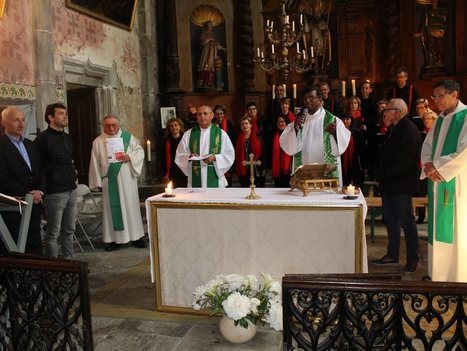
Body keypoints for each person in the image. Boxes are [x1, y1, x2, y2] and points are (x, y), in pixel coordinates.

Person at [420, 79, 467, 282]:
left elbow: (465, 151)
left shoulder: (465, 117)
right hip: (437, 181)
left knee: (454, 228)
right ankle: (436, 274)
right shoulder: (439, 119)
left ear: (454, 94)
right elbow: (427, 146)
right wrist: (428, 165)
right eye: (434, 96)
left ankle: (455, 277)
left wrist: (439, 168)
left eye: (440, 96)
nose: (436, 100)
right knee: (437, 228)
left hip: (456, 182)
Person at [372, 98, 422, 274]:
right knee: (391, 221)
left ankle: (412, 259)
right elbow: (385, 154)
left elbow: (403, 161)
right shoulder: (394, 128)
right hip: (389, 184)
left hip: (401, 184)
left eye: (389, 110)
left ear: (399, 112)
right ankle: (392, 254)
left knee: (407, 223)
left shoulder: (408, 130)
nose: (385, 113)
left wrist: (382, 175)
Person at [88, 115, 147, 251]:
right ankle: (115, 240)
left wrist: (130, 156)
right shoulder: (98, 141)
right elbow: (94, 163)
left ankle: (136, 237)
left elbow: (139, 151)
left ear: (119, 125)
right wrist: (96, 182)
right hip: (110, 182)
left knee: (130, 207)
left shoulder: (128, 137)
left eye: (114, 125)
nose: (111, 128)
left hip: (128, 182)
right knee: (113, 210)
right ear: (103, 126)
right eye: (108, 125)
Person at [280, 86, 351, 188]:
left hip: (326, 179)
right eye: (305, 98)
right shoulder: (299, 121)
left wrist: (335, 134)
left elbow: (342, 145)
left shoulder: (333, 120)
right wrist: (295, 131)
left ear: (320, 100)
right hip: (304, 178)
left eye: (311, 97)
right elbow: (288, 147)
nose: (308, 101)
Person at [35, 103, 78, 259]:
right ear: (50, 117)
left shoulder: (67, 137)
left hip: (71, 189)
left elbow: (69, 161)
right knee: (53, 233)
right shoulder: (42, 139)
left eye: (65, 113)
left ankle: (69, 262)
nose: (65, 116)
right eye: (60, 113)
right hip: (54, 192)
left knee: (70, 230)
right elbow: (39, 167)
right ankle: (54, 267)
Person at [0, 106, 44, 255]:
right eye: (16, 120)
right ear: (4, 123)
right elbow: (2, 178)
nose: (21, 124)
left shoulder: (30, 145)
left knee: (35, 245)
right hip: (13, 207)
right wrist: (27, 193)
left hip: (35, 204)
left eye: (23, 119)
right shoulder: (1, 146)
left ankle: (36, 276)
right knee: (15, 249)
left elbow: (41, 171)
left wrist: (40, 191)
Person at [175, 105, 235, 188]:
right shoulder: (188, 134)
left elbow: (229, 154)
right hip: (195, 179)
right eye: (199, 114)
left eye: (205, 113)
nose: (202, 116)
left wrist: (214, 158)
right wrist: (189, 156)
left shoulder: (221, 134)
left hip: (215, 179)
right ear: (196, 117)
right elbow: (179, 155)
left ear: (212, 115)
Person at [416, 108, 437, 224]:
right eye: (425, 119)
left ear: (435, 120)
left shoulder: (438, 133)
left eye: (429, 119)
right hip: (422, 165)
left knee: (433, 192)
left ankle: (433, 216)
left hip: (434, 166)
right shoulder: (421, 133)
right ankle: (421, 215)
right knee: (421, 191)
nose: (426, 121)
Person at [235, 116, 265, 188]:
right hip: (243, 169)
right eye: (242, 124)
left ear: (250, 125)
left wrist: (264, 168)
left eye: (246, 123)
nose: (244, 125)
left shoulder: (258, 136)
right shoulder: (237, 138)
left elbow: (264, 153)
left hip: (256, 168)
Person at [197, 20, 225, 90]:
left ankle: (209, 82)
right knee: (205, 66)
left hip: (213, 53)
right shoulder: (204, 33)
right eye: (209, 25)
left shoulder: (213, 35)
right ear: (206, 26)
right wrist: (209, 39)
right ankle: (203, 83)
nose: (211, 26)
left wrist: (222, 48)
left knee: (212, 67)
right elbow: (202, 43)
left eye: (211, 25)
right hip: (206, 53)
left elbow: (217, 44)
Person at [340, 115, 367, 190]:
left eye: (348, 119)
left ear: (351, 120)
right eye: (343, 119)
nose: (345, 121)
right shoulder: (338, 132)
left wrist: (364, 165)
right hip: (343, 162)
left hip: (355, 161)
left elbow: (362, 150)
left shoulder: (357, 133)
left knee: (357, 186)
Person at [213, 105, 236, 187]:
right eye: (217, 114)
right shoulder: (211, 124)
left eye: (221, 113)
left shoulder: (229, 124)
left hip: (225, 153)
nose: (219, 116)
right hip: (215, 154)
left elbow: (233, 139)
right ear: (214, 114)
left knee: (228, 180)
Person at [163, 117, 187, 189]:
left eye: (176, 125)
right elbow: (164, 157)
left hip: (184, 168)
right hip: (173, 170)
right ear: (169, 128)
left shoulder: (185, 138)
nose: (174, 128)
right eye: (171, 126)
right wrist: (166, 173)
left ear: (180, 126)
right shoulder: (167, 141)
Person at [271, 115, 293, 187]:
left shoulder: (291, 135)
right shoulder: (274, 136)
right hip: (277, 169)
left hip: (288, 169)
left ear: (286, 123)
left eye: (283, 122)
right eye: (279, 122)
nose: (281, 124)